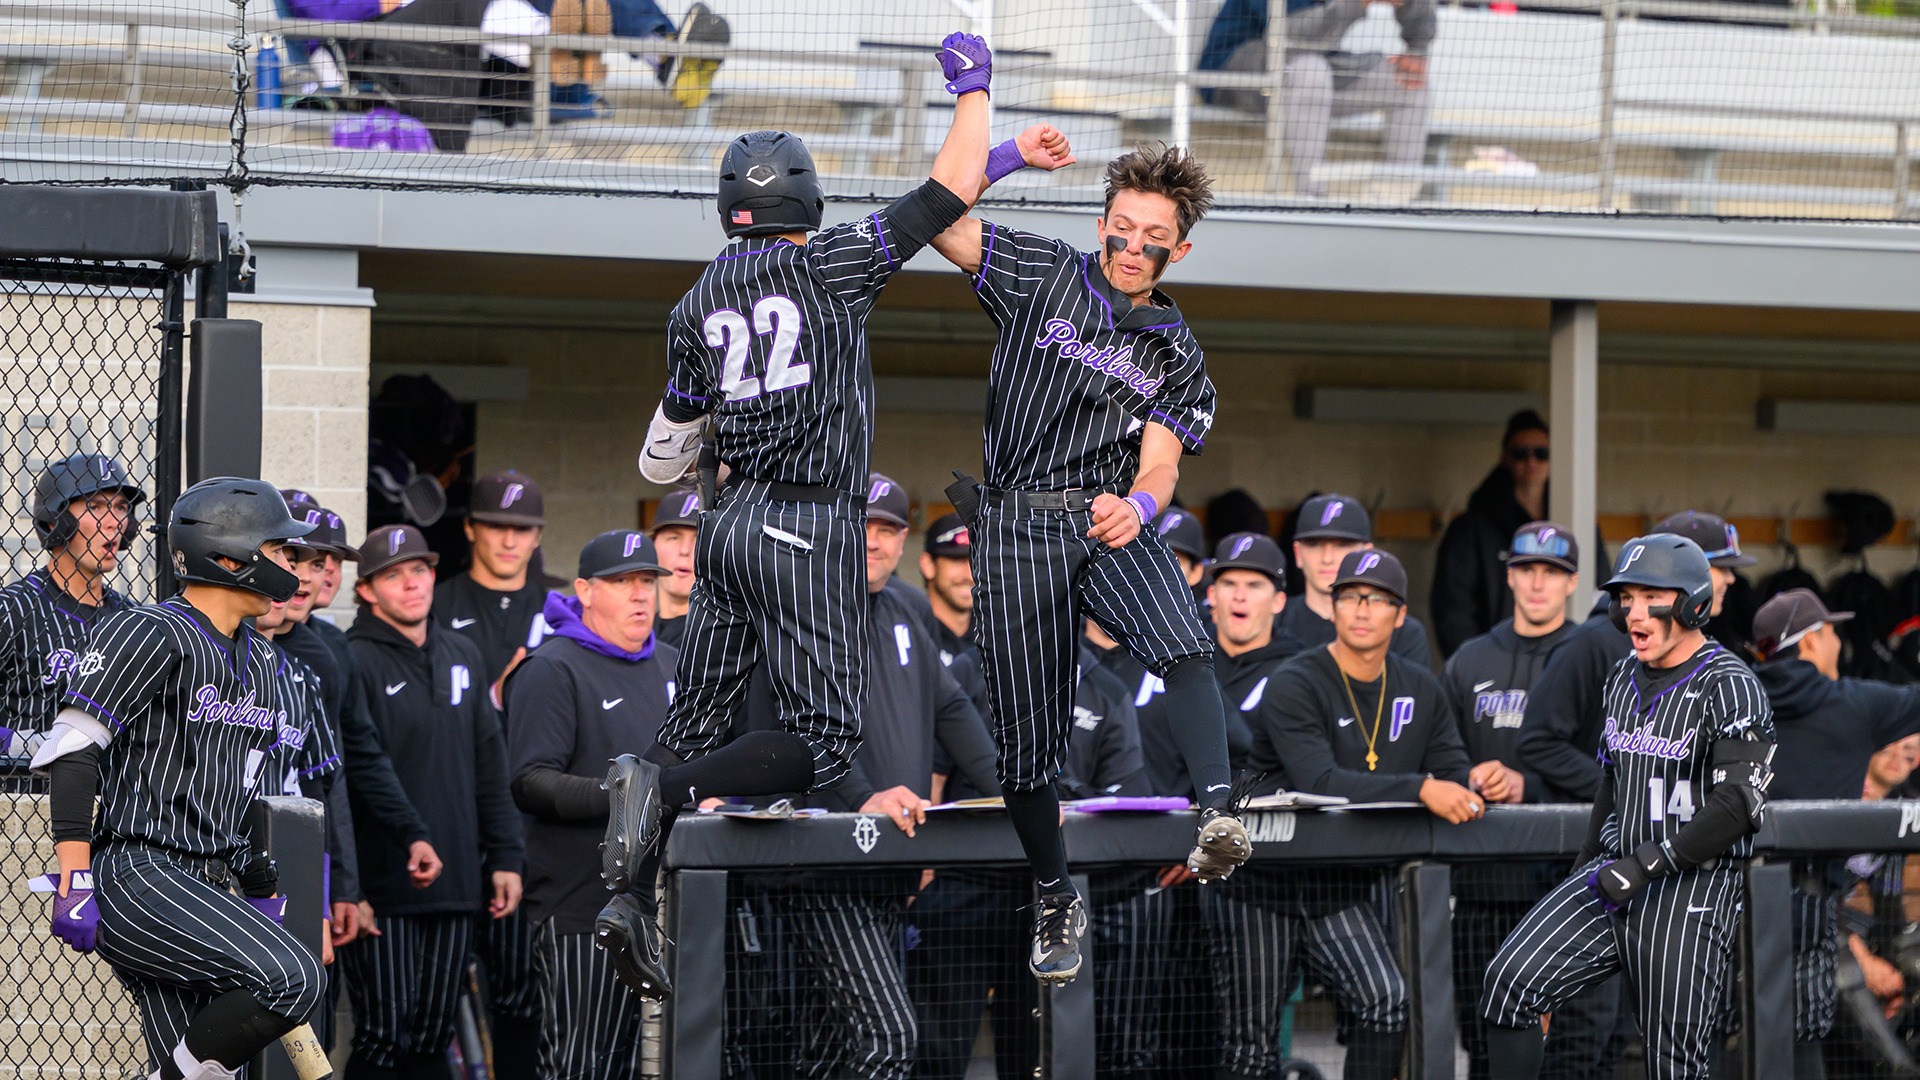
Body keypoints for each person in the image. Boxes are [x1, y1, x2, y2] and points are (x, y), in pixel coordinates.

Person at [601, 32, 1016, 998]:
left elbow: (666, 450)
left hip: (726, 523)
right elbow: (944, 192)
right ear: (806, 201)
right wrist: (975, 92)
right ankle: (660, 788)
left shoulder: (694, 300)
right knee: (825, 738)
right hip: (807, 522)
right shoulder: (828, 265)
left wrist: (992, 164)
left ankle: (623, 893)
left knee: (696, 718)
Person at [925, 139, 1254, 983]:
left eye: (1154, 237)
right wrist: (998, 154)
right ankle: (1052, 889)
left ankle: (1217, 813)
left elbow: (1163, 463)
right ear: (1100, 223)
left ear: (1179, 250)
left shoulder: (1175, 348)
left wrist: (1140, 507)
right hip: (1014, 525)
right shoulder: (1043, 272)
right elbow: (936, 218)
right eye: (1123, 227)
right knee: (1027, 751)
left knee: (1185, 641)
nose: (1133, 247)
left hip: (1107, 518)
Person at [33, 477, 327, 1080]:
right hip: (141, 875)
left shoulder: (264, 659)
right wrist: (75, 871)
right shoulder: (153, 631)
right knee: (294, 977)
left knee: (217, 1069)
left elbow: (234, 788)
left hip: (211, 882)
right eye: (278, 550)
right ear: (228, 557)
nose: (292, 565)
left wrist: (257, 876)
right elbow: (73, 747)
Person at [1480, 534, 1776, 1080]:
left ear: (1691, 603)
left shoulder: (1732, 684)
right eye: (1627, 599)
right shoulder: (1621, 676)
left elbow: (1738, 804)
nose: (1634, 612)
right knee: (1509, 986)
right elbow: (1610, 786)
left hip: (1690, 891)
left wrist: (1647, 865)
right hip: (1614, 872)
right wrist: (1581, 873)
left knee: (1672, 1065)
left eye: (1652, 597)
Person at [1223, 548, 1478, 1080]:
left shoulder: (1419, 685)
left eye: (1378, 599)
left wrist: (1477, 781)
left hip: (1334, 887)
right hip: (1260, 880)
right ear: (1333, 608)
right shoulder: (1296, 679)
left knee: (1386, 1002)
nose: (1363, 609)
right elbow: (1318, 782)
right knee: (1251, 1048)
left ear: (1400, 614)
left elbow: (1452, 773)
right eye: (1351, 597)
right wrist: (1422, 788)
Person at [343, 524, 524, 1080]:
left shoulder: (462, 652)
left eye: (418, 570)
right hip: (385, 885)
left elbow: (490, 767)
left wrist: (506, 858)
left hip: (457, 882)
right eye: (392, 575)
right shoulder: (352, 659)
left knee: (432, 1034)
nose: (411, 584)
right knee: (382, 1036)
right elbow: (355, 775)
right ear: (367, 591)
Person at [506, 529, 680, 1076]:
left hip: (671, 900)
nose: (638, 594)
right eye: (622, 582)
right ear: (584, 590)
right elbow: (530, 782)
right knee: (585, 1064)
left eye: (647, 581)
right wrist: (624, 793)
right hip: (586, 906)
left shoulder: (676, 666)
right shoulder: (553, 668)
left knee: (652, 1064)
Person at [1752, 588, 1920, 1072]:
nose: (1838, 642)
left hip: (1724, 903)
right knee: (1803, 1047)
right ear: (1808, 643)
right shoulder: (1851, 702)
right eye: (1828, 632)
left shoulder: (1736, 697)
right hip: (1808, 909)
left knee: (1729, 1042)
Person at [1440, 521, 1579, 1080]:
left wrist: (1529, 785)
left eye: (1551, 572)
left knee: (1565, 1053)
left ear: (1571, 583)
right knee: (1483, 1048)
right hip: (1482, 886)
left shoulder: (1590, 656)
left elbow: (1612, 769)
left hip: (1565, 888)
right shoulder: (1469, 659)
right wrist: (1467, 776)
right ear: (1510, 576)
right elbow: (1439, 752)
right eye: (1527, 570)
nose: (1538, 584)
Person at [434, 469, 550, 1074]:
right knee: (430, 1000)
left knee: (523, 996)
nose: (510, 541)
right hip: (452, 823)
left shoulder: (562, 602)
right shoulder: (437, 602)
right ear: (472, 528)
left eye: (522, 529)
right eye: (498, 526)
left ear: (537, 537)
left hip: (534, 828)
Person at [1195, 0, 1432, 199]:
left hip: (1310, 66)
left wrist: (1417, 48)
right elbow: (1285, 39)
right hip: (1233, 70)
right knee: (1311, 71)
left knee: (1409, 83)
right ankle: (1311, 201)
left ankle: (1395, 201)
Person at [0, 453, 144, 765]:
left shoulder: (130, 620)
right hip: (23, 797)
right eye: (95, 506)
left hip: (111, 803)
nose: (114, 521)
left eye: (121, 507)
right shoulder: (14, 608)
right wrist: (18, 743)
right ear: (57, 521)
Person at [1431, 410, 1552, 657]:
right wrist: (1475, 669)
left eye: (1541, 453)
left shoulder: (1574, 522)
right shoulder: (1471, 528)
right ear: (1505, 459)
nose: (1531, 462)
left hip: (1558, 664)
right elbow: (1453, 611)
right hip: (1491, 671)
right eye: (1521, 454)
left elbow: (1600, 594)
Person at [1283, 493, 1435, 667]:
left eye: (1342, 545)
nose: (1327, 558)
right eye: (1315, 544)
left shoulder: (1402, 631)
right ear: (1298, 553)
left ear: (1367, 552)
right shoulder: (1271, 623)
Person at [1652, 510, 1759, 655]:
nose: (1731, 579)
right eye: (1722, 568)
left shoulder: (1705, 634)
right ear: (1681, 570)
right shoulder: (1621, 641)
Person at [646, 485, 702, 648]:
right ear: (652, 547)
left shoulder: (723, 635)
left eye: (699, 539)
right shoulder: (632, 633)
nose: (685, 550)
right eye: (673, 537)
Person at [918, 511, 975, 664]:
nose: (970, 575)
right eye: (957, 560)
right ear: (928, 565)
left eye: (976, 562)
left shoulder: (995, 637)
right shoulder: (909, 634)